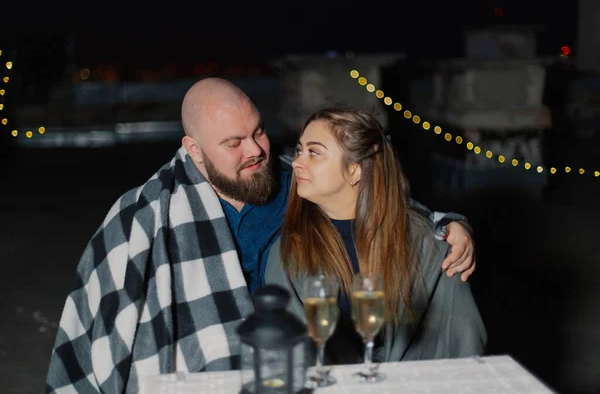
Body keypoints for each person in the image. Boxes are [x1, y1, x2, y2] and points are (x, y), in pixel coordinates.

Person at [46, 78, 476, 393]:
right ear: (193, 150)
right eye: (233, 142)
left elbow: (373, 200)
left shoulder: (294, 179)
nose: (255, 150)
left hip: (311, 361)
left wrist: (449, 223)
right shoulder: (146, 214)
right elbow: (99, 325)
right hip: (213, 370)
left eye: (258, 131)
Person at [265, 106, 487, 366]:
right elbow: (282, 348)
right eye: (300, 149)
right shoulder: (289, 250)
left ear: (355, 171)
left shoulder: (427, 242)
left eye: (314, 152)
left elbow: (463, 341)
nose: (297, 162)